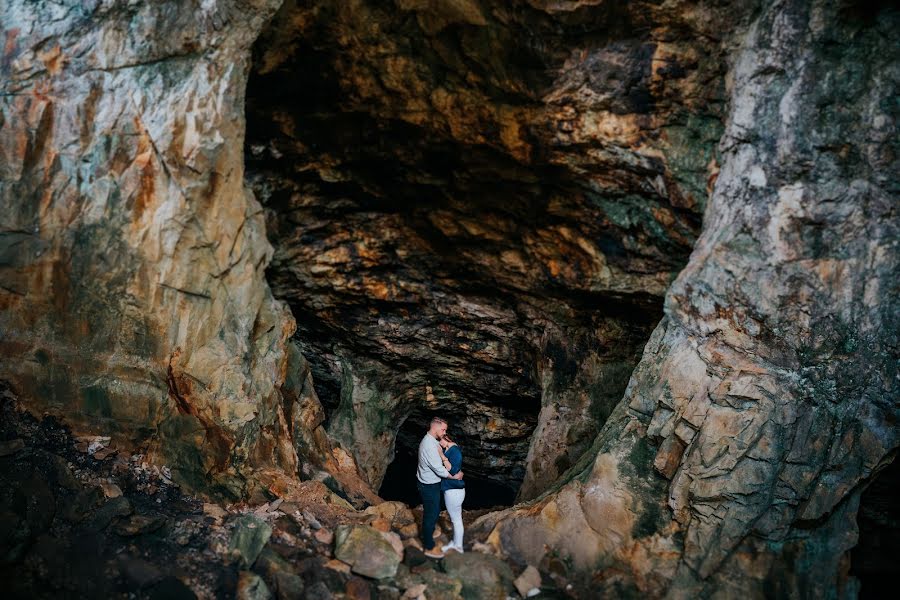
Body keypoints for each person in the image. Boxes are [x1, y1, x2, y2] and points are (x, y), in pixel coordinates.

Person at [417, 417, 463, 558]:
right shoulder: (429, 445)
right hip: (429, 485)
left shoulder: (433, 440)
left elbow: (449, 448)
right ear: (435, 428)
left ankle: (428, 535)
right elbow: (439, 470)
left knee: (434, 510)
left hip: (431, 483)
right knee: (432, 513)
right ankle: (429, 545)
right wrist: (454, 477)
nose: (444, 433)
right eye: (443, 430)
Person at [439, 434, 465, 553]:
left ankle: (458, 546)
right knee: (455, 519)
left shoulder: (455, 451)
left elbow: (453, 471)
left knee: (456, 520)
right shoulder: (449, 450)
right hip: (452, 489)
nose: (440, 442)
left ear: (448, 438)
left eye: (441, 440)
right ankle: (454, 543)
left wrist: (442, 457)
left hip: (454, 490)